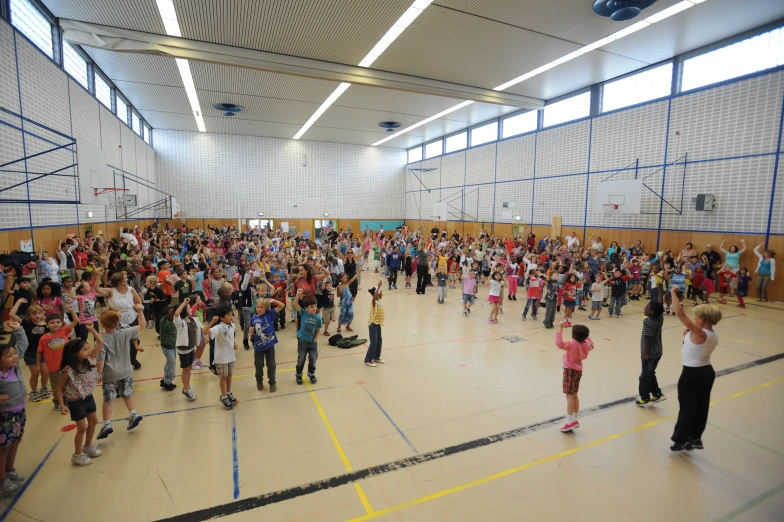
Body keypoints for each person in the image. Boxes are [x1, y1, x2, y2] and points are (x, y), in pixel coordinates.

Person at [669, 285, 722, 452]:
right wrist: (686, 337)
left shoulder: (700, 332)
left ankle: (681, 440)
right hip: (707, 372)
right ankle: (695, 437)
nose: (695, 318)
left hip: (692, 373)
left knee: (687, 407)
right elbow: (692, 341)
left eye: (697, 316)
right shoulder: (712, 332)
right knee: (701, 406)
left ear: (704, 319)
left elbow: (680, 314)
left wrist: (673, 293)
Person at [96, 306, 146, 439]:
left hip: (110, 374)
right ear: (118, 322)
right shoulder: (125, 332)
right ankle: (133, 414)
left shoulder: (101, 340)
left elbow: (100, 360)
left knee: (108, 400)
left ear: (102, 324)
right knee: (127, 394)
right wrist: (140, 311)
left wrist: (98, 374)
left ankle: (107, 424)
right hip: (126, 371)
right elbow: (142, 325)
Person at [57, 337, 103, 466]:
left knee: (94, 421)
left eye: (88, 348)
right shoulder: (68, 370)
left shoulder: (87, 362)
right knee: (81, 428)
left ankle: (88, 446)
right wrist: (62, 405)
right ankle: (77, 455)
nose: (89, 351)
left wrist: (92, 329)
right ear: (74, 353)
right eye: (85, 349)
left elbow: (100, 343)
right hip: (76, 401)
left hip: (88, 397)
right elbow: (59, 389)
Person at [0, 322, 29, 494]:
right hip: (4, 417)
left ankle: (10, 470)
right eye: (9, 355)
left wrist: (18, 328)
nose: (14, 357)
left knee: (16, 441)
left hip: (19, 413)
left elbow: (23, 344)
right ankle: (2, 479)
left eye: (14, 354)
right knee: (3, 448)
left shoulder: (16, 367)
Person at [555, 321, 593, 432]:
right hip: (578, 371)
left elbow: (559, 343)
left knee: (569, 396)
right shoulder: (586, 344)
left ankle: (569, 421)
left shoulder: (572, 344)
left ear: (573, 335)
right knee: (575, 394)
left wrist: (560, 329)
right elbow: (591, 343)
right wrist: (586, 335)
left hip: (569, 371)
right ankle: (575, 419)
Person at [37, 307, 78, 410]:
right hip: (53, 367)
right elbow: (39, 352)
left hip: (67, 364)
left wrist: (72, 310)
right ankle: (58, 402)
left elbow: (76, 321)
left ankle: (68, 399)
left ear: (62, 323)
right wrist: (38, 364)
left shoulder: (64, 331)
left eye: (57, 322)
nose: (55, 324)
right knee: (56, 385)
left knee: (69, 382)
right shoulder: (44, 338)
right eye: (52, 323)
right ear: (47, 325)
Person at [8, 300, 49, 403]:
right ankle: (34, 391)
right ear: (29, 315)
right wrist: (18, 302)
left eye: (39, 313)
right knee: (35, 373)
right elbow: (12, 314)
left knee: (45, 373)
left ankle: (44, 388)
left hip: (43, 354)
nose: (37, 316)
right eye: (34, 314)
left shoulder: (46, 325)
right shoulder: (27, 323)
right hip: (30, 353)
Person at [205, 304, 239, 410]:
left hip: (231, 356)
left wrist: (234, 343)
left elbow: (230, 337)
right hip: (221, 357)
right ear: (221, 318)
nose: (231, 317)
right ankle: (223, 396)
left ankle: (228, 392)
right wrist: (212, 322)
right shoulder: (218, 328)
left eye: (231, 314)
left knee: (229, 375)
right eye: (228, 315)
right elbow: (205, 332)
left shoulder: (233, 326)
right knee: (223, 377)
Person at [250, 298, 285, 392]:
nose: (259, 309)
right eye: (257, 307)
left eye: (261, 307)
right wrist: (251, 331)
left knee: (271, 364)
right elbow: (251, 328)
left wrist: (273, 301)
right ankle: (259, 381)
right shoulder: (253, 318)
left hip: (269, 345)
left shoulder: (270, 314)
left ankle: (272, 382)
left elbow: (282, 305)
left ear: (266, 308)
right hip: (258, 346)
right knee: (259, 365)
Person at [636, 302, 665, 407]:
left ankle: (645, 397)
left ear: (652, 312)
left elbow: (648, 338)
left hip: (649, 354)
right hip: (658, 351)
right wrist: (660, 289)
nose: (644, 308)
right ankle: (657, 394)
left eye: (646, 308)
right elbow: (660, 305)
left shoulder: (648, 322)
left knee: (644, 376)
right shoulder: (660, 318)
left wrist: (645, 353)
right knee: (651, 373)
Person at [174, 297, 201, 401]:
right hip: (183, 349)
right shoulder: (179, 322)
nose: (191, 309)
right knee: (185, 370)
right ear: (184, 310)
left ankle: (188, 386)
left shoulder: (193, 319)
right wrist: (184, 302)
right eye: (189, 308)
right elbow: (176, 314)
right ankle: (186, 389)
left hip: (191, 348)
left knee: (189, 368)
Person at [293, 292, 322, 385]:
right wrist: (297, 295)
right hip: (302, 341)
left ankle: (311, 373)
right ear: (306, 308)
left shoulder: (318, 318)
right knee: (301, 359)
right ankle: (298, 374)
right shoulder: (304, 313)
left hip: (312, 342)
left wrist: (315, 340)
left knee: (313, 358)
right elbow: (295, 304)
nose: (314, 308)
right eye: (311, 306)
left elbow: (318, 330)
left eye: (315, 306)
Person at [365, 282, 385, 367]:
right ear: (375, 294)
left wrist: (380, 289)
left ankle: (376, 356)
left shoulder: (379, 300)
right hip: (373, 324)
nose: (381, 294)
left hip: (378, 323)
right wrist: (378, 288)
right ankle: (368, 359)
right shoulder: (373, 302)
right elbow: (374, 297)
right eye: (379, 293)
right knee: (373, 342)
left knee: (379, 340)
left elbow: (379, 295)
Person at [158, 305, 178, 391]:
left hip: (173, 345)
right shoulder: (164, 321)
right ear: (166, 315)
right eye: (172, 313)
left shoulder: (174, 320)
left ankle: (166, 379)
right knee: (172, 363)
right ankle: (167, 382)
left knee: (169, 363)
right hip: (167, 347)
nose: (174, 314)